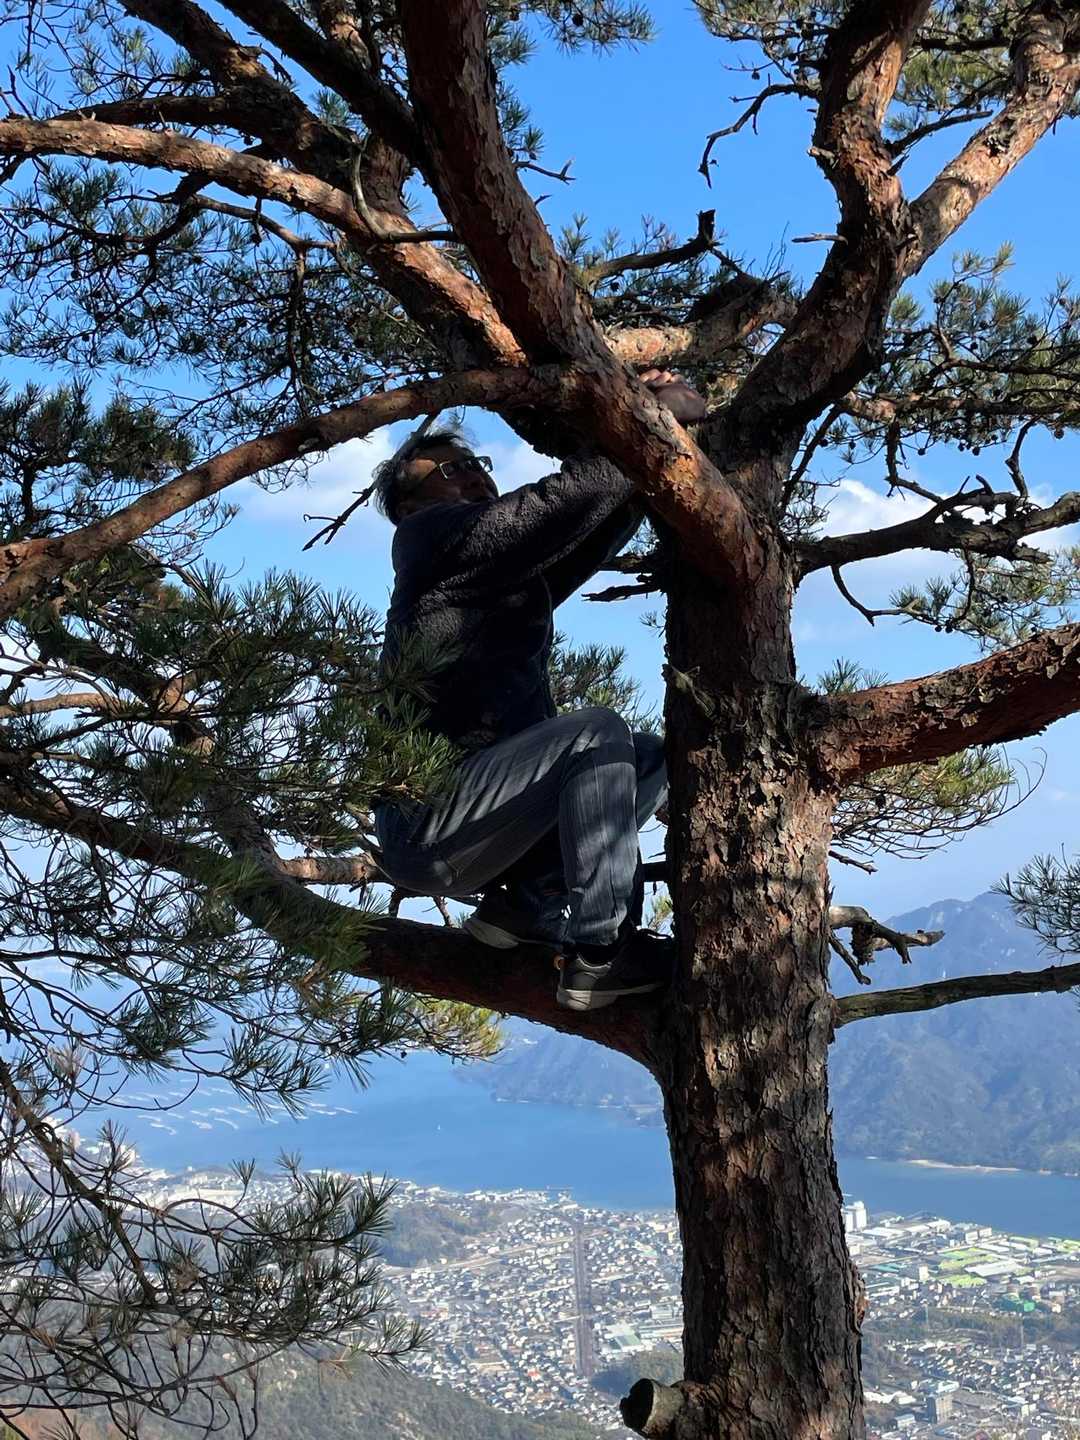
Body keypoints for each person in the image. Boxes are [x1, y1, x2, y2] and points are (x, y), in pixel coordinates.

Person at [371, 371, 706, 1011]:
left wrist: (657, 449)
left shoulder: (495, 576)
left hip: (482, 821)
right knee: (595, 734)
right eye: (451, 470)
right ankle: (600, 954)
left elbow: (585, 529)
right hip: (427, 820)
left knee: (646, 757)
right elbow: (552, 510)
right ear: (410, 506)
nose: (474, 475)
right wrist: (650, 419)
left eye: (477, 464)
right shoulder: (427, 537)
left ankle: (527, 906)